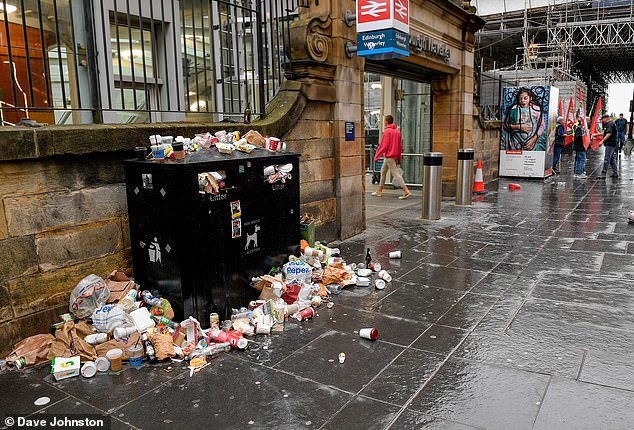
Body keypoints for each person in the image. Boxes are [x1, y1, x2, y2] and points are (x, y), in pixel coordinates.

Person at [372, 115, 411, 199]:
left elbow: (383, 146)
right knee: (383, 171)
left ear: (386, 121)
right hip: (393, 156)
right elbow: (400, 146)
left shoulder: (387, 132)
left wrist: (377, 156)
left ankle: (406, 190)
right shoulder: (397, 131)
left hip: (388, 155)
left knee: (395, 173)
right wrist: (399, 158)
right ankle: (379, 190)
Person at [596, 114, 618, 178]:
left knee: (606, 159)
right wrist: (596, 135)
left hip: (610, 144)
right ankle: (615, 172)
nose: (602, 121)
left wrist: (602, 141)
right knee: (611, 159)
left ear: (606, 118)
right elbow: (604, 133)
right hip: (611, 144)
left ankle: (603, 173)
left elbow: (609, 133)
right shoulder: (609, 124)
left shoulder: (610, 124)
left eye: (603, 119)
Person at [572, 115, 587, 179]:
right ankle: (579, 173)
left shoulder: (580, 128)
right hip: (580, 146)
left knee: (579, 159)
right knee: (582, 159)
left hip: (580, 146)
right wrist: (584, 136)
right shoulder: (579, 128)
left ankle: (577, 172)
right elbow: (578, 137)